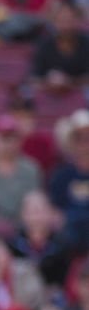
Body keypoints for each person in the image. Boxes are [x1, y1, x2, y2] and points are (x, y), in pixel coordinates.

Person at [29, 0, 89, 97]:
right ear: (54, 22)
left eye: (70, 20)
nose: (66, 26)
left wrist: (70, 81)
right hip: (49, 96)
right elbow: (34, 78)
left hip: (82, 98)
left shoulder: (87, 43)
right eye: (61, 20)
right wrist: (50, 81)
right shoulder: (44, 45)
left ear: (78, 20)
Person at [49, 109, 89, 255]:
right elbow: (54, 211)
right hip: (69, 240)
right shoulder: (61, 176)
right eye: (80, 137)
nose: (85, 143)